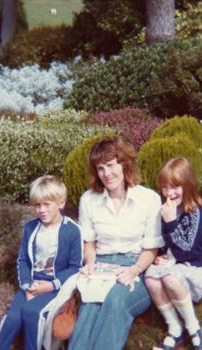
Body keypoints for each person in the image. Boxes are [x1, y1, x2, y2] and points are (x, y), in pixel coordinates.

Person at [68, 136, 164, 350]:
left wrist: (134, 270)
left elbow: (151, 249)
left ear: (124, 164)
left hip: (136, 267)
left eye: (111, 165)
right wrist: (90, 264)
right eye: (100, 168)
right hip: (102, 266)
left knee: (116, 301)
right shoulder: (88, 200)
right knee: (91, 304)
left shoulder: (149, 199)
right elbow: (90, 243)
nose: (106, 173)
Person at [0, 175, 82, 350]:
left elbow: (75, 267)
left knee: (32, 312)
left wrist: (51, 285)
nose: (41, 210)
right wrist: (27, 286)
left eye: (47, 204)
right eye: (37, 205)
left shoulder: (72, 231)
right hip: (32, 284)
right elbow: (23, 260)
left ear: (61, 203)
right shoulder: (30, 228)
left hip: (55, 287)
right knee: (12, 319)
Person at [145, 157, 202, 350]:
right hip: (173, 261)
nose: (169, 193)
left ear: (188, 184)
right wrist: (159, 254)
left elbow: (186, 251)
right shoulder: (167, 209)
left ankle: (194, 328)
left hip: (192, 265)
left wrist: (171, 222)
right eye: (165, 187)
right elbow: (163, 240)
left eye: (176, 186)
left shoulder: (197, 213)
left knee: (169, 278)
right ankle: (174, 328)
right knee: (151, 278)